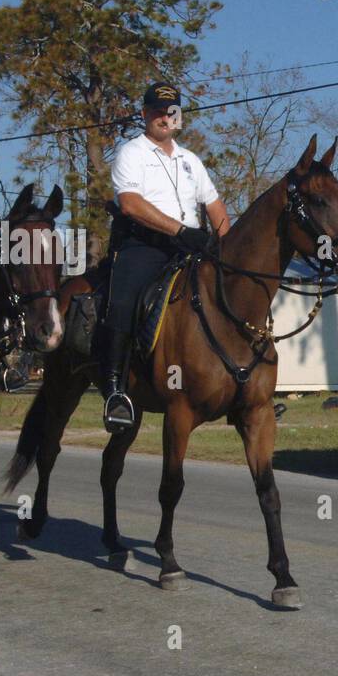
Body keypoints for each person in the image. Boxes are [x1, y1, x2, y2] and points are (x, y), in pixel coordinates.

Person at [98, 81, 230, 432]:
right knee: (122, 301)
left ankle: (238, 381)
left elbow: (216, 208)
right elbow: (130, 204)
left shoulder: (191, 161)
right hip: (145, 246)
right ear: (145, 114)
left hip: (193, 249)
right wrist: (180, 231)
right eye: (157, 110)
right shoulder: (132, 153)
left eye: (171, 111)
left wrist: (226, 251)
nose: (164, 117)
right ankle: (114, 390)